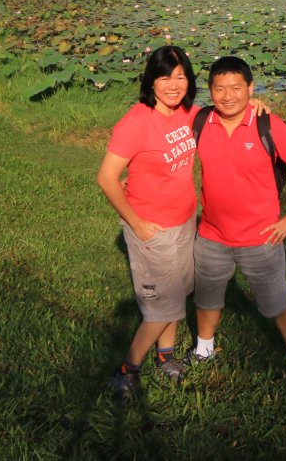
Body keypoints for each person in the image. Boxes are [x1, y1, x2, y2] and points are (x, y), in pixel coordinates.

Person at [189, 56, 286, 379]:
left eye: (236, 87)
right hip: (211, 236)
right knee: (207, 298)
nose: (228, 95)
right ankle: (203, 350)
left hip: (262, 237)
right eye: (220, 88)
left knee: (277, 301)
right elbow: (163, 130)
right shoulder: (200, 121)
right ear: (210, 90)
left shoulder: (267, 124)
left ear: (250, 88)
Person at [96, 45, 200, 401]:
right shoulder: (136, 122)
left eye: (180, 75)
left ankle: (165, 358)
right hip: (151, 228)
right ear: (150, 81)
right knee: (161, 308)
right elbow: (107, 178)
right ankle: (126, 370)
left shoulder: (189, 113)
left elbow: (228, 113)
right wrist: (136, 223)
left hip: (185, 221)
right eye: (164, 76)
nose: (173, 84)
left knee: (179, 296)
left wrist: (257, 106)